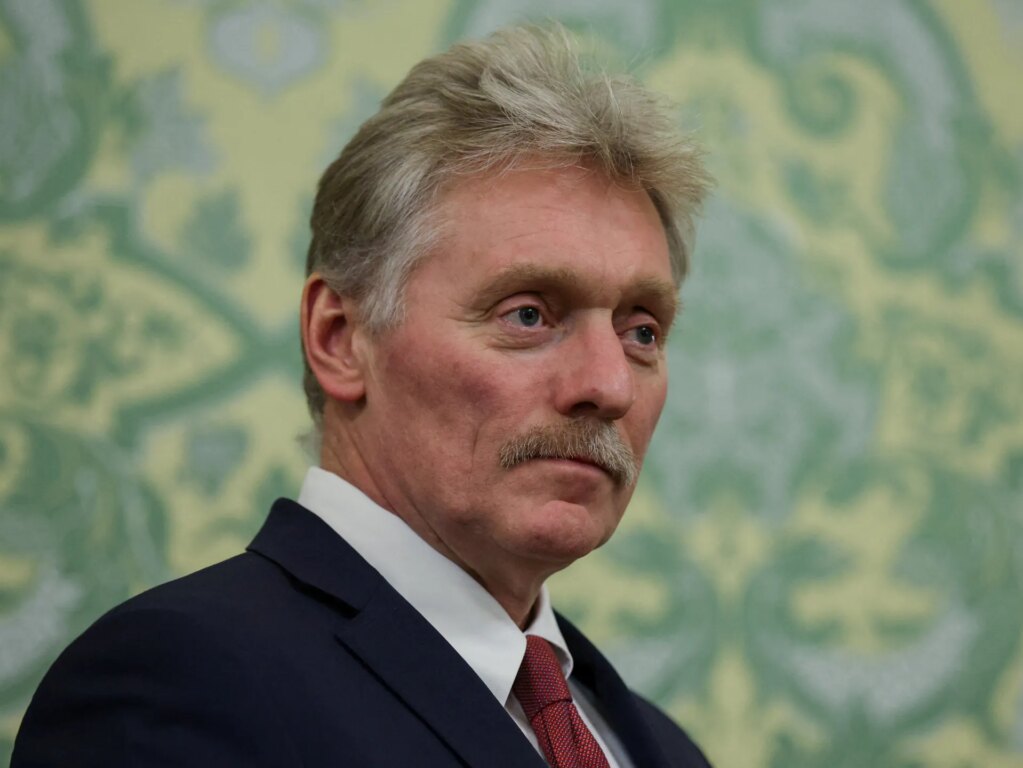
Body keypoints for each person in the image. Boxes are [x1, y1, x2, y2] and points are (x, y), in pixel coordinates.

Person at [13, 24, 713, 768]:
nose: (608, 384)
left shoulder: (661, 748)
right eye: (528, 315)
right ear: (340, 339)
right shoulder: (175, 683)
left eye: (642, 331)